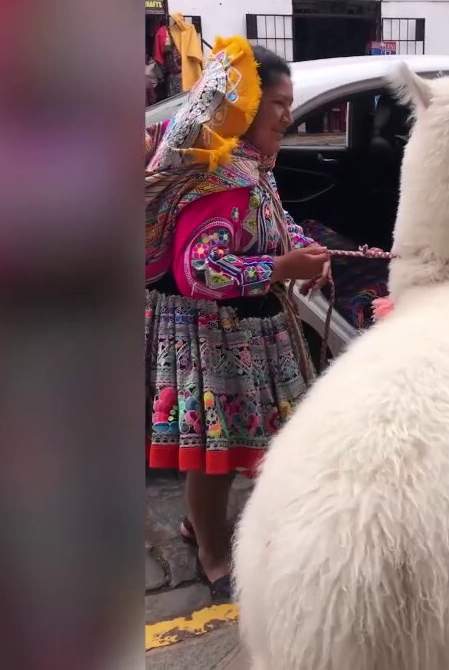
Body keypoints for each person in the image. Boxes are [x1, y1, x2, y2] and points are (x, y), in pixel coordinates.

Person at [144, 38, 329, 601]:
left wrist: (306, 252)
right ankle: (211, 549)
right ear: (244, 106)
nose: (288, 116)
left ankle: (202, 524)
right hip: (213, 334)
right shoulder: (219, 180)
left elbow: (276, 221)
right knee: (214, 451)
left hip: (249, 332)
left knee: (238, 442)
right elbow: (200, 269)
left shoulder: (251, 170)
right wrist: (280, 267)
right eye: (278, 103)